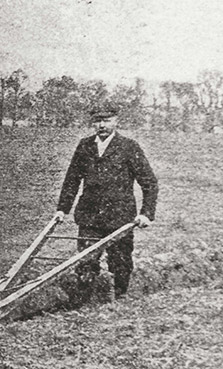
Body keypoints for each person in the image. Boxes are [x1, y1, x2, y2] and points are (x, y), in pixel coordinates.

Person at [53, 106, 158, 299]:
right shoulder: (85, 146)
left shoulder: (129, 147)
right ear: (93, 122)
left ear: (116, 121)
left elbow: (149, 182)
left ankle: (119, 297)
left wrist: (146, 213)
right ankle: (83, 301)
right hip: (90, 215)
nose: (101, 125)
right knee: (86, 260)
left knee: (120, 261)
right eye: (97, 120)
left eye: (107, 120)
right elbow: (72, 180)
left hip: (120, 217)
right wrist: (62, 209)